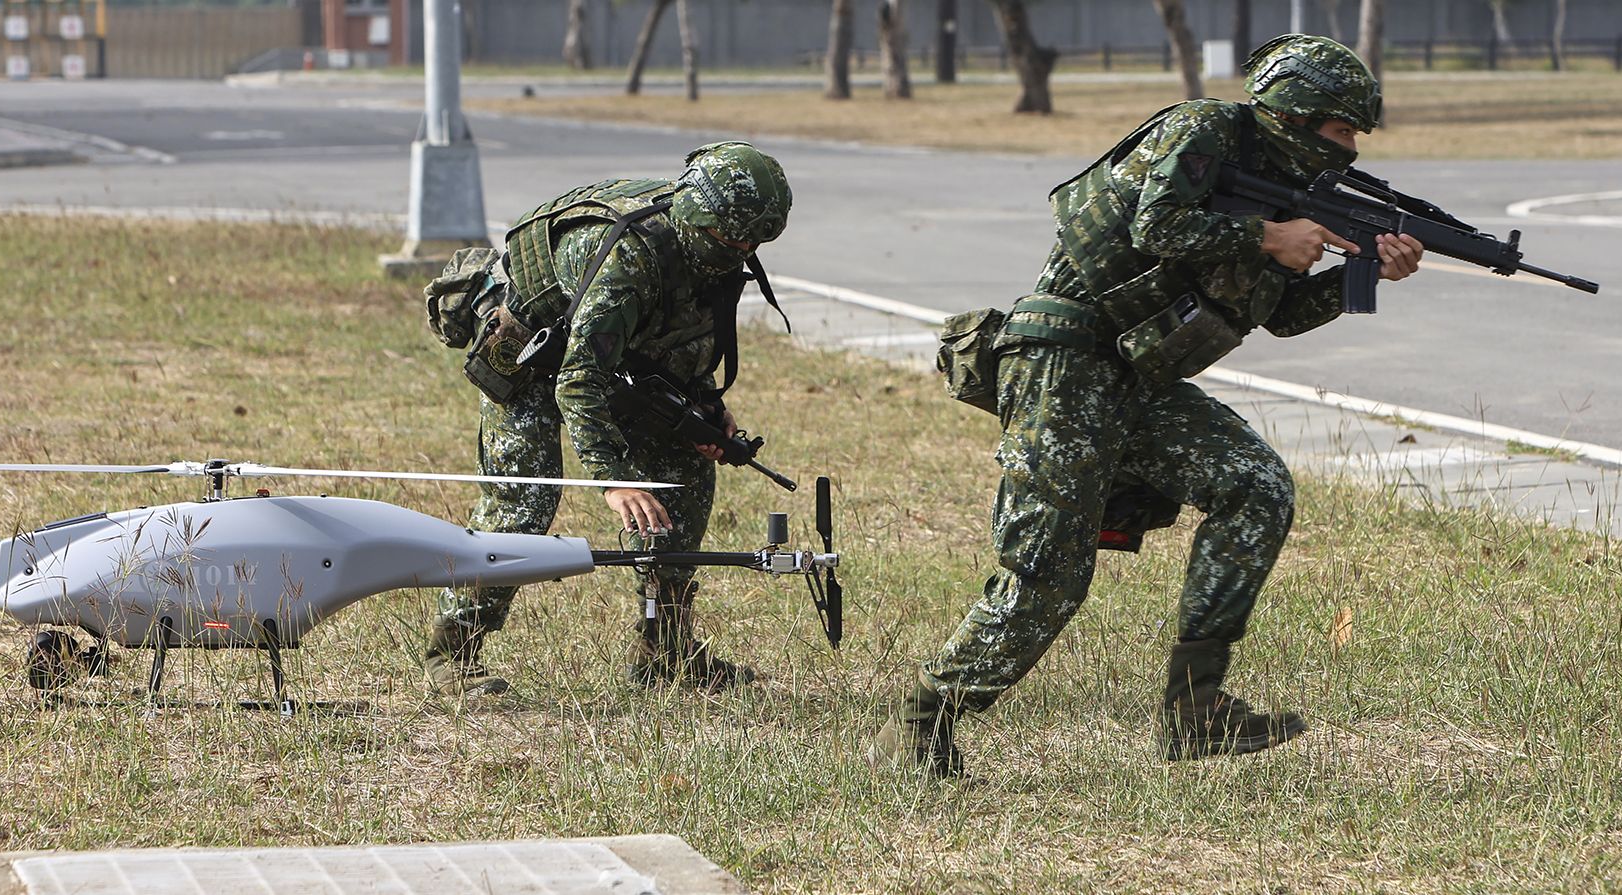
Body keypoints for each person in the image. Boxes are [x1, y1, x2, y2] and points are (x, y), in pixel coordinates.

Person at [868, 35, 1427, 776]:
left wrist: (1365, 273)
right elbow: (1154, 224)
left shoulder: (1277, 187)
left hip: (1134, 378)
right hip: (1064, 361)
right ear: (1295, 115)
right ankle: (919, 722)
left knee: (1255, 486)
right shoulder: (1203, 132)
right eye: (1340, 130)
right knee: (1048, 572)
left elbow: (1283, 314)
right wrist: (1269, 235)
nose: (1350, 149)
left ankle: (1195, 710)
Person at [423, 141, 793, 696]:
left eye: (754, 241)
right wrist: (614, 480)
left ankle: (664, 651)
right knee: (526, 499)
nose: (742, 250)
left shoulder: (710, 251)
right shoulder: (632, 258)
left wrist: (704, 405)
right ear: (697, 215)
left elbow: (672, 334)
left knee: (682, 475)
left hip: (602, 354)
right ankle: (450, 654)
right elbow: (578, 378)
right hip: (531, 353)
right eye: (731, 238)